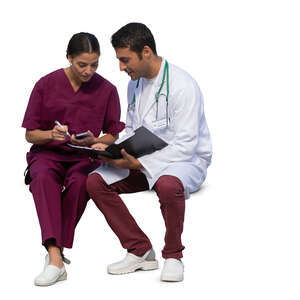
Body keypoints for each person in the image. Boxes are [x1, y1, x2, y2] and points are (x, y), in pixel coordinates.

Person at [86, 23, 212, 282]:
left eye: (125, 60)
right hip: (141, 158)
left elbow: (187, 144)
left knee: (166, 185)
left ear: (145, 52)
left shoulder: (183, 85)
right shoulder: (134, 85)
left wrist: (138, 164)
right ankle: (140, 250)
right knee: (95, 180)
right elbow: (132, 128)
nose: (121, 67)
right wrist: (111, 149)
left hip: (184, 161)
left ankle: (174, 256)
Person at [22, 32, 125, 286]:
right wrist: (51, 134)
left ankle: (54, 258)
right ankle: (56, 258)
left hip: (83, 157)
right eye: (82, 64)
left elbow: (113, 133)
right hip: (48, 154)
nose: (88, 71)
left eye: (94, 64)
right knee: (42, 178)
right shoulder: (45, 85)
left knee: (82, 184)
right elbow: (30, 134)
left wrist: (93, 141)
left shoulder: (107, 90)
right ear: (68, 57)